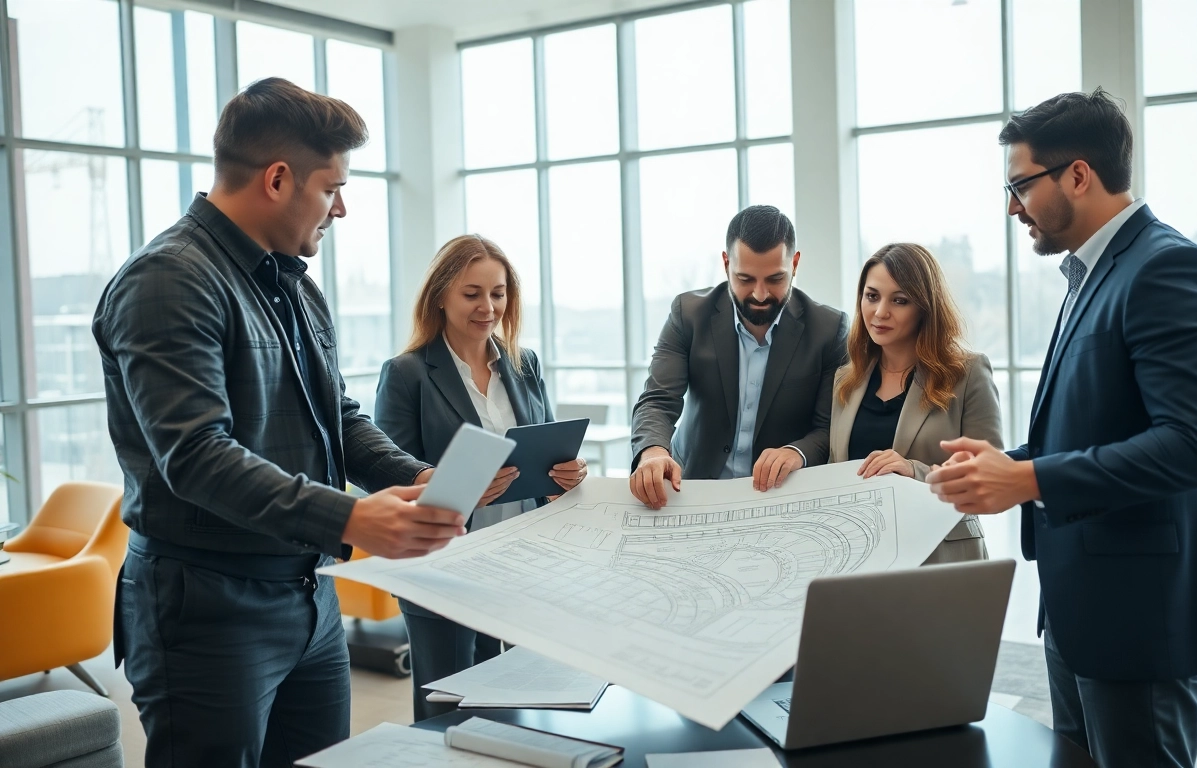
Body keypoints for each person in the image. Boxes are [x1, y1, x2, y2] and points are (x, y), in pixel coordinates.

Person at [92, 78, 466, 768]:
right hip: (207, 609)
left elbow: (338, 417)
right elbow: (198, 456)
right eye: (332, 188)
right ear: (277, 179)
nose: (341, 208)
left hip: (308, 595)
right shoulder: (168, 281)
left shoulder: (293, 282)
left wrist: (419, 476)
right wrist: (352, 520)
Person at [925, 89, 1197, 768]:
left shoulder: (1167, 269)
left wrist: (1030, 477)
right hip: (1079, 612)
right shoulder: (1090, 276)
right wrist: (1006, 462)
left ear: (1078, 174)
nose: (1012, 207)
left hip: (1140, 623)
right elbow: (1094, 429)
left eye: (1020, 186)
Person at [375, 234, 588, 722]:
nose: (487, 307)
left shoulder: (523, 363)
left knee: (517, 701)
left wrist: (565, 476)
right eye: (472, 294)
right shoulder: (407, 374)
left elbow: (548, 447)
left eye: (497, 293)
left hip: (521, 564)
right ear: (441, 296)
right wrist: (461, 486)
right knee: (448, 709)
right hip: (445, 566)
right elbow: (386, 476)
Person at [629, 205, 848, 509]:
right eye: (745, 279)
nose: (760, 294)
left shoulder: (829, 329)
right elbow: (657, 400)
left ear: (795, 263)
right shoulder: (688, 314)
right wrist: (653, 451)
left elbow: (829, 428)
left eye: (775, 279)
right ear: (726, 263)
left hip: (778, 499)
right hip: (692, 490)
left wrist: (796, 452)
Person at [827, 243, 1001, 563]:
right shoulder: (845, 381)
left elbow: (989, 478)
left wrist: (913, 472)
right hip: (862, 560)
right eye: (872, 296)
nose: (880, 312)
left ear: (924, 307)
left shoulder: (968, 373)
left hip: (943, 558)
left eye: (900, 300)